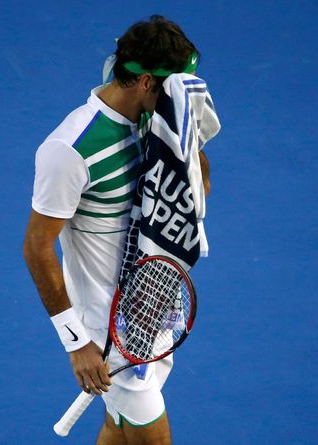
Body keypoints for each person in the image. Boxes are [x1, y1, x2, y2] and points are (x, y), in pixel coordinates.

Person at [23, 15, 210, 445]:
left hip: (153, 307)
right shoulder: (68, 150)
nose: (180, 96)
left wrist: (189, 141)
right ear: (145, 81)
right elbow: (36, 248)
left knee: (119, 430)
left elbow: (197, 195)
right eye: (174, 86)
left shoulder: (158, 124)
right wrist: (76, 343)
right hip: (110, 332)